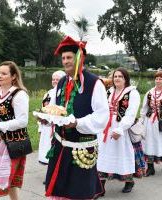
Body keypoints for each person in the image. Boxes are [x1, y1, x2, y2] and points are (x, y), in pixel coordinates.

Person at [44, 36, 109, 199]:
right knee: (58, 192)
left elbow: (102, 116)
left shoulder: (95, 83)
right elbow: (54, 109)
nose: (65, 61)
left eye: (69, 57)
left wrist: (78, 123)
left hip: (81, 150)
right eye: (63, 58)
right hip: (59, 148)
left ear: (79, 58)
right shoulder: (60, 83)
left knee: (78, 194)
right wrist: (45, 117)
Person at [0, 61, 32, 200]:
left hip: (11, 143)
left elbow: (22, 121)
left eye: (4, 73)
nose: (0, 76)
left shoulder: (19, 95)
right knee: (10, 182)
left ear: (13, 76)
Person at [97, 68, 140, 194]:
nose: (117, 78)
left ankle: (129, 181)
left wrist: (120, 129)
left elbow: (131, 114)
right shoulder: (109, 92)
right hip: (106, 129)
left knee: (122, 154)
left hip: (122, 129)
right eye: (115, 76)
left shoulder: (132, 93)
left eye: (120, 76)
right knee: (103, 154)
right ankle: (100, 186)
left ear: (125, 78)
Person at [38, 70, 66, 165]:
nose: (54, 81)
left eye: (57, 79)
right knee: (46, 148)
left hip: (55, 127)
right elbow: (43, 109)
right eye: (53, 79)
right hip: (46, 127)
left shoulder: (64, 94)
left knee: (55, 149)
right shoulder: (48, 93)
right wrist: (40, 125)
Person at [140, 71, 162, 176]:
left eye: (160, 79)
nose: (158, 81)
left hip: (160, 122)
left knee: (160, 141)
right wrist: (141, 120)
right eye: (157, 79)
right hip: (150, 121)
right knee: (149, 142)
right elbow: (144, 108)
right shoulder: (150, 92)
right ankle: (150, 167)